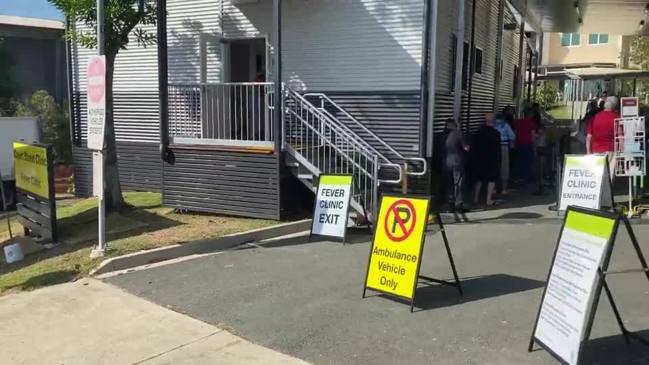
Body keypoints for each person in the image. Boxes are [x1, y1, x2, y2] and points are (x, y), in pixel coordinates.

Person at [471, 113, 501, 206]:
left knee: (479, 179)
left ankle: (475, 198)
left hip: (479, 159)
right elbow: (497, 148)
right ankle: (488, 199)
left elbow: (474, 145)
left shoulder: (478, 132)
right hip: (492, 159)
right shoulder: (496, 133)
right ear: (494, 121)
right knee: (491, 179)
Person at [587, 96, 620, 178]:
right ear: (615, 106)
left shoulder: (594, 117)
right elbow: (620, 137)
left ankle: (598, 190)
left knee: (597, 176)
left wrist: (588, 152)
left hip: (596, 150)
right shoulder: (617, 118)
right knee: (609, 176)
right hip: (611, 150)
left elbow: (588, 137)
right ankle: (607, 190)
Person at [442, 118, 469, 213]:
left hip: (446, 162)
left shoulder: (442, 135)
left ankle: (450, 206)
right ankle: (459, 205)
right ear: (454, 125)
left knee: (449, 184)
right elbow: (466, 147)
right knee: (458, 183)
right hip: (457, 161)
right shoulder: (458, 133)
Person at [514, 108, 538, 182]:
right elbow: (533, 136)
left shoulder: (518, 122)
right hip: (527, 145)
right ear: (530, 114)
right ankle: (525, 177)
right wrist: (534, 148)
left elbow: (515, 133)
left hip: (519, 144)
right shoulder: (532, 124)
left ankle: (518, 177)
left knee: (519, 161)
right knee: (527, 161)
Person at [494, 112, 516, 194]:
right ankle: (504, 188)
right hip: (503, 147)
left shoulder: (492, 124)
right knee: (504, 167)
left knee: (495, 166)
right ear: (503, 118)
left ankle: (494, 188)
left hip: (493, 148)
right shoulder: (505, 125)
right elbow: (512, 136)